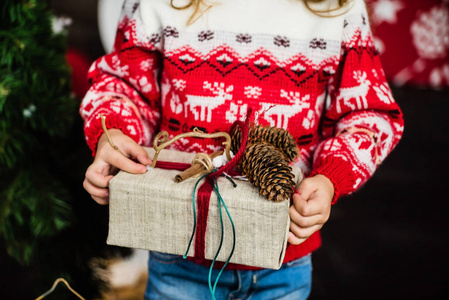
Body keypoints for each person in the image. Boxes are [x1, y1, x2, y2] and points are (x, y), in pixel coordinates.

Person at [81, 0, 404, 299]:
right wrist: (114, 134)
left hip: (281, 263)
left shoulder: (338, 10)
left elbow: (367, 114)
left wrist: (330, 176)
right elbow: (123, 86)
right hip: (178, 252)